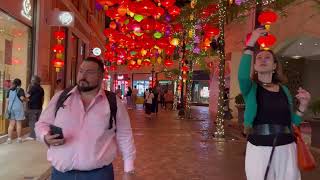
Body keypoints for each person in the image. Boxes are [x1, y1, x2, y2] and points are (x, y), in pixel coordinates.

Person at [35, 57, 136, 180]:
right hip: (61, 174)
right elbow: (42, 124)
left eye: (90, 72)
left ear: (101, 76)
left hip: (99, 175)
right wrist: (45, 136)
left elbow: (124, 135)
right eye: (81, 71)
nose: (83, 76)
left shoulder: (113, 102)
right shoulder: (61, 97)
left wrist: (128, 170)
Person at [239, 28, 311, 180]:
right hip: (259, 148)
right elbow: (242, 75)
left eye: (267, 58)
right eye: (259, 58)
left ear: (274, 66)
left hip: (287, 148)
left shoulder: (284, 90)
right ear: (255, 67)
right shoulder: (251, 88)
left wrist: (303, 105)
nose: (262, 59)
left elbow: (292, 122)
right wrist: (251, 41)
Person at [5, 78, 26, 144]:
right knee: (18, 124)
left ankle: (9, 139)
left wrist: (7, 109)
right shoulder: (20, 90)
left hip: (10, 109)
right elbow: (22, 98)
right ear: (20, 84)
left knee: (11, 124)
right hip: (18, 109)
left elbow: (7, 101)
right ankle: (19, 139)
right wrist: (26, 99)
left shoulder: (9, 90)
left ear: (13, 83)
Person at [25, 75, 44, 141]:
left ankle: (32, 136)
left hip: (32, 107)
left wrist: (28, 88)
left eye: (31, 80)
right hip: (39, 107)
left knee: (32, 122)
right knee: (38, 122)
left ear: (33, 81)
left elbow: (27, 96)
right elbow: (42, 98)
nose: (31, 81)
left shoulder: (32, 88)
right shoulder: (41, 89)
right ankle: (37, 135)